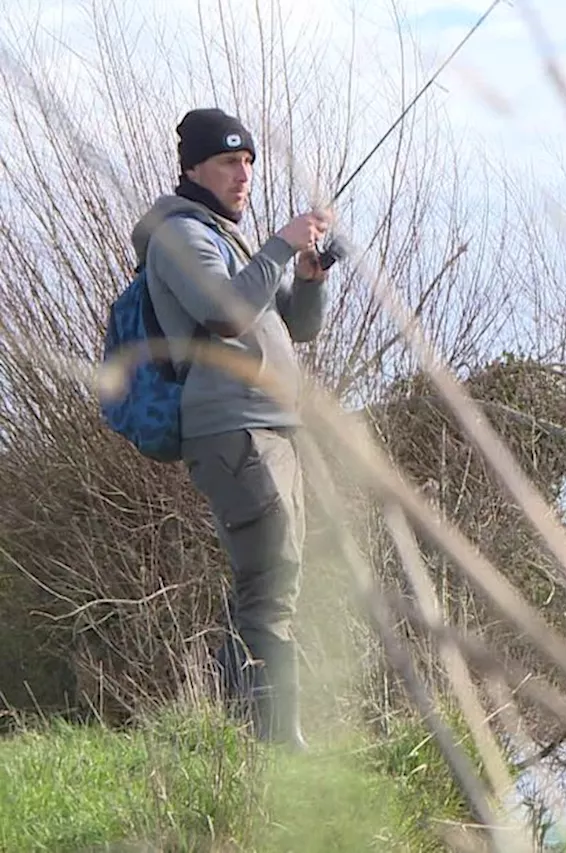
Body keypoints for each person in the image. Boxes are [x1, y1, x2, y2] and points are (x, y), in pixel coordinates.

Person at [127, 107, 333, 750]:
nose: (242, 174)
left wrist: (306, 280)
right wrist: (277, 245)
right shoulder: (181, 237)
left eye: (248, 162)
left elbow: (294, 328)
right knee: (273, 578)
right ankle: (278, 744)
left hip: (271, 429)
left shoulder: (225, 237)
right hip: (234, 430)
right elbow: (224, 317)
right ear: (192, 168)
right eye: (227, 162)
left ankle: (238, 731)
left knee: (272, 576)